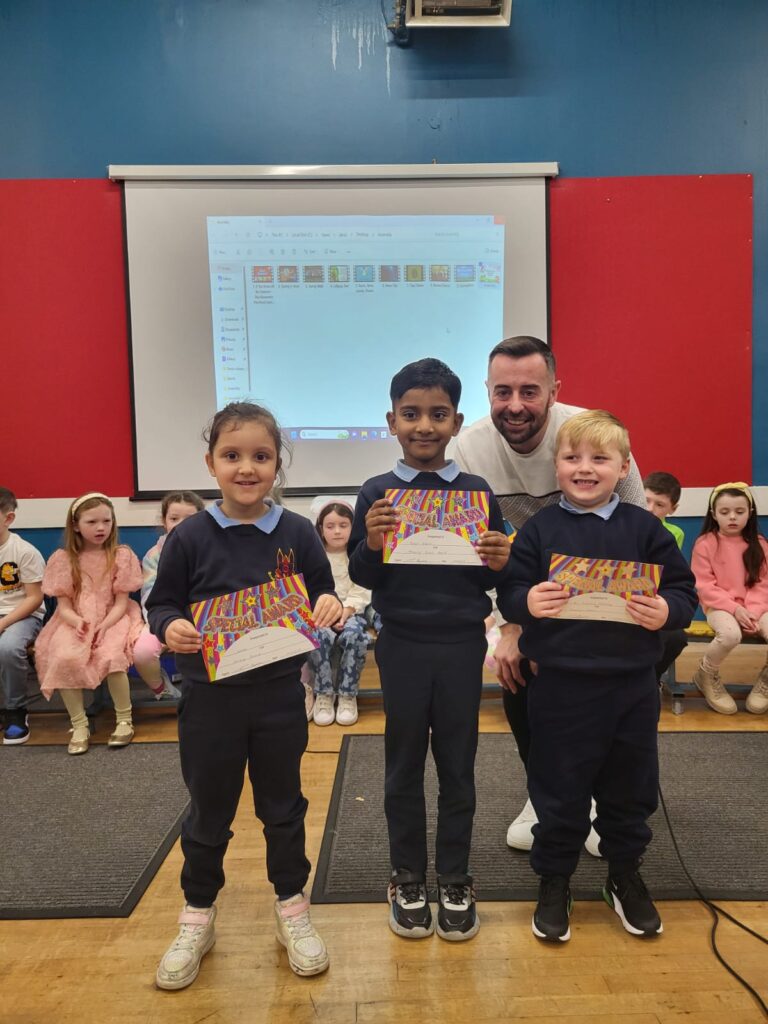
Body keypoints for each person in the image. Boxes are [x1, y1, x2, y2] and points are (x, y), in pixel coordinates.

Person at [147, 401, 342, 990]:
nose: (247, 467)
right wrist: (170, 627)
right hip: (210, 702)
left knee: (284, 808)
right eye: (232, 455)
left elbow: (324, 592)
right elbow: (163, 603)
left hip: (280, 697)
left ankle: (292, 906)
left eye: (261, 456)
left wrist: (328, 605)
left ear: (278, 463)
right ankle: (197, 914)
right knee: (209, 811)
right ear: (211, 463)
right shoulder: (189, 536)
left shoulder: (298, 532)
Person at [497, 411, 697, 942]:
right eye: (572, 458)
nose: (584, 468)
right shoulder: (538, 530)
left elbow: (683, 591)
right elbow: (510, 590)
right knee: (558, 788)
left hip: (631, 687)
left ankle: (623, 875)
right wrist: (527, 601)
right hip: (560, 687)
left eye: (599, 459)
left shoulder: (645, 528)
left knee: (630, 788)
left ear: (624, 468)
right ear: (556, 466)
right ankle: (555, 880)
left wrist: (667, 610)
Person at [454, 336, 646, 852]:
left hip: (610, 597)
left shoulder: (592, 434)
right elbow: (479, 553)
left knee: (622, 667)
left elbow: (637, 538)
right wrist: (512, 627)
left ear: (555, 391)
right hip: (530, 592)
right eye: (503, 392)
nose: (515, 405)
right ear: (487, 392)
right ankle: (547, 792)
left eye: (530, 391)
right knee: (515, 666)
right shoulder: (467, 449)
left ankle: (606, 793)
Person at [348, 358, 511, 942]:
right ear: (391, 420)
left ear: (456, 422)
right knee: (403, 763)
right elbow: (364, 576)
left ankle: (456, 877)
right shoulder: (376, 492)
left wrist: (500, 559)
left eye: (438, 414)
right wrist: (371, 543)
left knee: (459, 765)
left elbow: (487, 576)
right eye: (411, 414)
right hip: (402, 646)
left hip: (462, 645)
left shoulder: (477, 491)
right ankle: (407, 876)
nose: (424, 425)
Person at [34, 493, 144, 755]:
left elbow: (121, 603)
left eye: (106, 521)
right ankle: (79, 724)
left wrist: (103, 626)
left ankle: (124, 719)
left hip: (113, 617)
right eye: (92, 522)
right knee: (65, 656)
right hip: (75, 619)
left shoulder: (121, 555)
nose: (100, 527)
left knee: (111, 655)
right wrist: (79, 622)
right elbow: (63, 607)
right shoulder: (64, 559)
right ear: (75, 525)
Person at [690, 482, 768, 715]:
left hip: (757, 607)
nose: (732, 517)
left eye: (739, 511)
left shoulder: (760, 545)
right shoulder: (705, 544)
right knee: (730, 634)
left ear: (750, 513)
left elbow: (763, 583)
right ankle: (706, 674)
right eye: (725, 512)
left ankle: (765, 680)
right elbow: (704, 585)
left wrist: (753, 611)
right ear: (714, 514)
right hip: (720, 607)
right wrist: (735, 609)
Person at [133, 490, 205, 700]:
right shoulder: (154, 555)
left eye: (189, 519)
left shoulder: (210, 549)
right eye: (174, 518)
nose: (180, 524)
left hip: (202, 620)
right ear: (164, 521)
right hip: (166, 622)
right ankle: (162, 689)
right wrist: (167, 625)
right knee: (143, 653)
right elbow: (150, 596)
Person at [307, 496, 372, 727]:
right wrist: (328, 613)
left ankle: (347, 694)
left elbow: (361, 590)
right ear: (320, 529)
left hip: (353, 613)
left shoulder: (358, 556)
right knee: (317, 636)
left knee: (355, 636)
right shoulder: (314, 557)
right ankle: (324, 694)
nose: (337, 531)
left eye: (343, 525)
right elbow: (311, 589)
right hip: (321, 614)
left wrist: (345, 612)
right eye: (330, 526)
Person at [0, 487, 46, 745]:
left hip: (23, 615)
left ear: (8, 518)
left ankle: (15, 711)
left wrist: (4, 623)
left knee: (8, 648)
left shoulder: (24, 552)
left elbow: (34, 598)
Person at [643, 472, 689, 682]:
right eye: (646, 500)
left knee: (676, 637)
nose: (650, 509)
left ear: (673, 509)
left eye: (659, 504)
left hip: (653, 597)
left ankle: (652, 680)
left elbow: (667, 574)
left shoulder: (673, 534)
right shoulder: (622, 524)